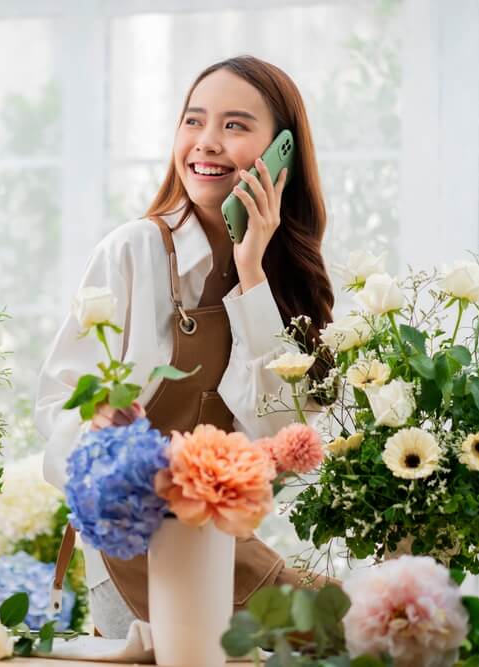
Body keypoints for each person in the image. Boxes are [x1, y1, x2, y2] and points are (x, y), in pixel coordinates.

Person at [35, 55, 335, 638]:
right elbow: (55, 406)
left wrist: (251, 274)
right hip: (135, 554)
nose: (207, 142)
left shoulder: (286, 274)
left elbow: (282, 433)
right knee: (341, 628)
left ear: (283, 153)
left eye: (235, 125)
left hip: (223, 545)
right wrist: (96, 425)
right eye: (194, 121)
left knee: (349, 628)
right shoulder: (133, 252)